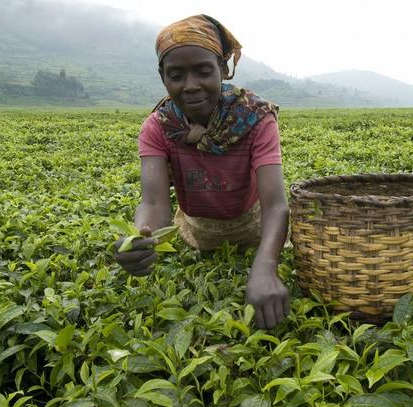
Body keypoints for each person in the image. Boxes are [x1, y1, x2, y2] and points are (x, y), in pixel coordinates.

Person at [114, 14, 290, 329]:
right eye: (176, 75)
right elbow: (154, 203)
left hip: (255, 229)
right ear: (162, 76)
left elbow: (275, 203)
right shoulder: (158, 127)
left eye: (204, 71)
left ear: (223, 68)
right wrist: (141, 238)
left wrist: (265, 267)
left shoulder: (256, 118)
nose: (191, 86)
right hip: (197, 232)